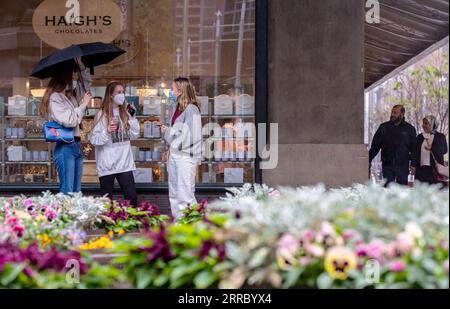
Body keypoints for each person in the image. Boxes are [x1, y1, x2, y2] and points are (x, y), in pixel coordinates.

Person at [39, 57, 91, 194]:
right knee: (67, 191)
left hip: (76, 144)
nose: (75, 79)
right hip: (65, 146)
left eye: (75, 75)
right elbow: (70, 121)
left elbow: (86, 84)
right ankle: (63, 215)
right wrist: (84, 105)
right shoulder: (55, 98)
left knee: (76, 190)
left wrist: (80, 65)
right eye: (72, 75)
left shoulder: (71, 96)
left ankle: (73, 215)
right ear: (64, 78)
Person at [89, 81, 140, 207]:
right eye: (118, 92)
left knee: (131, 197)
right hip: (107, 164)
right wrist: (107, 131)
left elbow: (135, 135)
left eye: (123, 92)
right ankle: (108, 225)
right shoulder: (101, 115)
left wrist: (132, 118)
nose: (122, 95)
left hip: (124, 163)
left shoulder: (125, 113)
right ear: (111, 95)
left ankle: (130, 224)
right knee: (107, 201)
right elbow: (94, 140)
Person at [160, 77, 202, 219]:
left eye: (173, 88)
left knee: (185, 193)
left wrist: (167, 132)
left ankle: (193, 226)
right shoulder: (176, 107)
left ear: (180, 90)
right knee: (174, 192)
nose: (171, 91)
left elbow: (191, 136)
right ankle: (179, 224)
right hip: (175, 154)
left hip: (185, 156)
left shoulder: (192, 109)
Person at [369, 105, 417, 186]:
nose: (392, 114)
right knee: (388, 190)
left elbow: (414, 148)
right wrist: (369, 159)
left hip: (403, 165)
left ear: (402, 114)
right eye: (392, 112)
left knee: (402, 191)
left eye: (395, 113)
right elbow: (375, 146)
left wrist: (414, 164)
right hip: (387, 165)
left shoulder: (410, 129)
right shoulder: (384, 127)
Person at [411, 115, 448, 185]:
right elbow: (415, 152)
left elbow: (444, 150)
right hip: (421, 170)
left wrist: (432, 148)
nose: (423, 125)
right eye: (423, 123)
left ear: (432, 124)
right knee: (421, 191)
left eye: (426, 123)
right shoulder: (420, 137)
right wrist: (413, 165)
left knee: (435, 191)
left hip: (434, 170)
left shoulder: (440, 136)